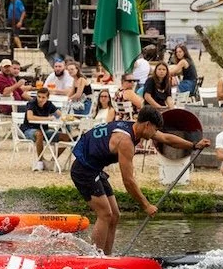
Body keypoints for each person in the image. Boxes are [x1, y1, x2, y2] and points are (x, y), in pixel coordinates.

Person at [70, 106, 211, 254]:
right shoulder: (125, 142)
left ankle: (107, 257)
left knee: (115, 215)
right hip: (83, 170)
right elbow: (128, 181)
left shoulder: (135, 127)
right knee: (105, 214)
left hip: (95, 169)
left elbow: (166, 138)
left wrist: (194, 145)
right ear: (147, 125)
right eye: (155, 129)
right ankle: (94, 259)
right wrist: (146, 205)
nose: (155, 133)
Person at [21, 87, 71, 171]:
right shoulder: (32, 103)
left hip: (44, 130)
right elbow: (30, 117)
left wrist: (70, 118)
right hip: (29, 129)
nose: (40, 99)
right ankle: (40, 161)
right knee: (39, 134)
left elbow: (61, 115)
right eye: (39, 96)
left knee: (66, 137)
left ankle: (52, 161)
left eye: (43, 97)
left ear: (47, 98)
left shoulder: (49, 104)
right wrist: (47, 118)